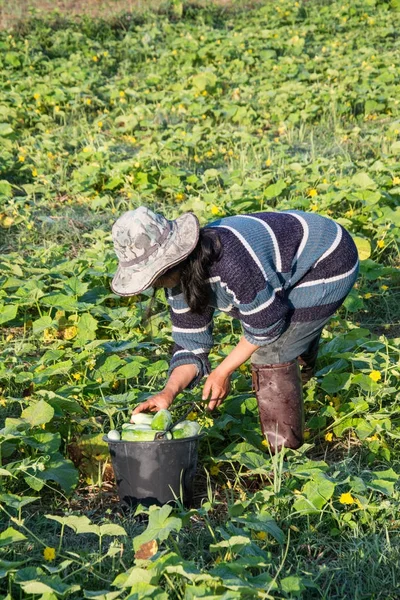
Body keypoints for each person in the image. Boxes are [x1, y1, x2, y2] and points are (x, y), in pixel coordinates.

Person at [111, 206, 359, 451]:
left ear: (172, 262)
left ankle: (285, 456)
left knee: (271, 353)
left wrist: (222, 372)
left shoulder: (229, 262)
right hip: (290, 268)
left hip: (328, 257)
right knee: (286, 332)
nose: (153, 283)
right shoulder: (178, 279)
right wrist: (168, 392)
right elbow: (190, 343)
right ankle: (300, 377)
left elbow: (266, 324)